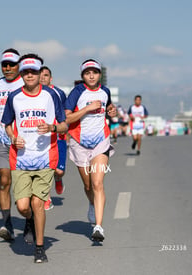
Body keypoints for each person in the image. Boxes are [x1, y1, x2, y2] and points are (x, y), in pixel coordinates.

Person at [2, 54, 68, 263]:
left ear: (40, 74)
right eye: (25, 72)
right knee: (22, 206)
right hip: (20, 159)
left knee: (38, 203)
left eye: (33, 71)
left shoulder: (51, 95)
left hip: (45, 158)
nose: (29, 75)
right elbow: (7, 124)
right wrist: (13, 138)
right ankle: (28, 220)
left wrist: (52, 127)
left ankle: (40, 248)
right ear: (21, 74)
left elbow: (64, 125)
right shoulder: (14, 97)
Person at [64, 59, 116, 242]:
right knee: (88, 186)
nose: (91, 75)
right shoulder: (77, 92)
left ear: (99, 74)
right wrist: (87, 108)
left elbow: (108, 106)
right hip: (79, 142)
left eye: (94, 72)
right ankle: (92, 204)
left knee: (97, 184)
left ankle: (98, 227)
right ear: (82, 76)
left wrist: (111, 110)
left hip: (100, 142)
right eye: (87, 73)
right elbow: (67, 118)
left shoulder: (105, 91)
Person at [0, 48, 24, 241]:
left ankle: (29, 223)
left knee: (23, 187)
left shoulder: (26, 82)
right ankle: (7, 224)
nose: (8, 68)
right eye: (4, 64)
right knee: (5, 180)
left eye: (11, 64)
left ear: (18, 65)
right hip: (3, 140)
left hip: (24, 143)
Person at [39, 66, 67, 211]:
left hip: (59, 137)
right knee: (46, 169)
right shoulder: (33, 94)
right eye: (40, 75)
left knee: (58, 171)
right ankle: (46, 198)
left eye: (46, 75)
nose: (42, 78)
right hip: (43, 139)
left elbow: (65, 115)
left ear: (51, 78)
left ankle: (58, 179)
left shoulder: (59, 93)